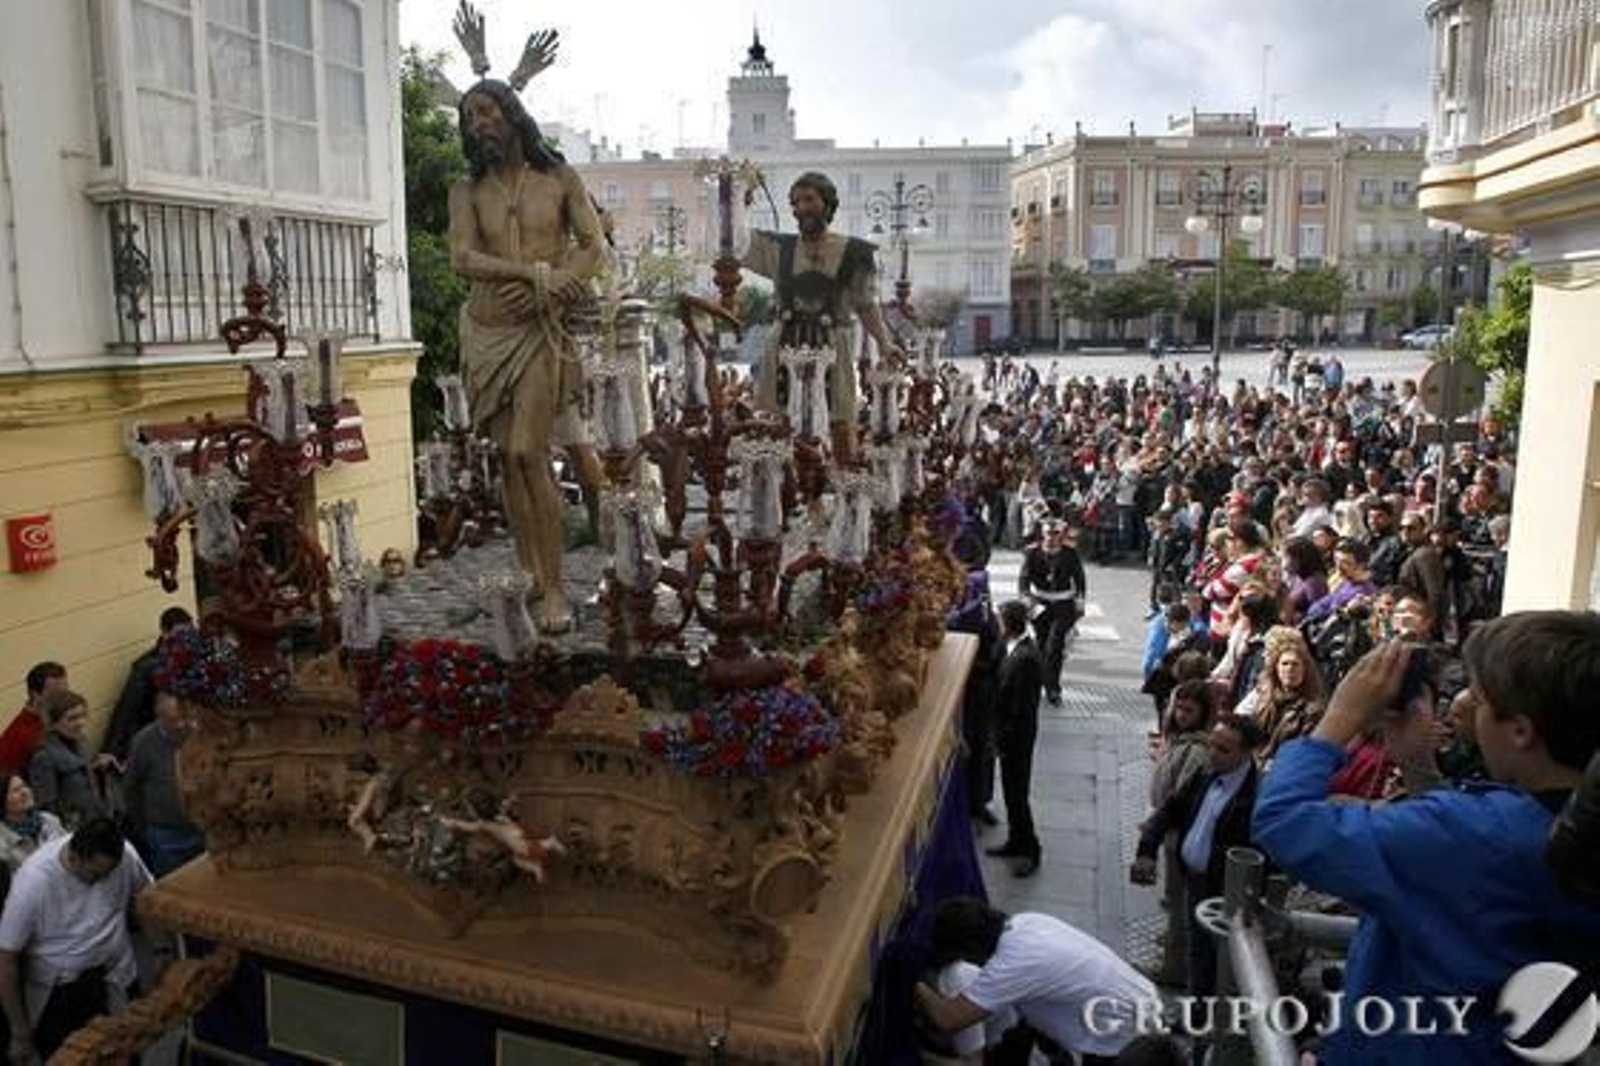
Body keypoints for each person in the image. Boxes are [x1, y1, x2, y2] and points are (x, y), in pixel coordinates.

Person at [1252, 614, 1600, 1065]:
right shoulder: (1567, 829)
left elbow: (1284, 820)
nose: (1464, 702)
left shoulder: (1478, 833)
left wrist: (1340, 717)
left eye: (1480, 695)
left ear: (1520, 730)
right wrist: (1417, 763)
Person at [448, 74, 606, 634]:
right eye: (471, 117)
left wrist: (557, 285)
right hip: (487, 333)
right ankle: (530, 574)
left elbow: (593, 245)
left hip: (540, 331)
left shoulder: (560, 178)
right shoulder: (466, 190)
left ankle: (556, 588)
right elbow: (462, 258)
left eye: (487, 111)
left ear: (512, 113)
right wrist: (529, 274)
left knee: (527, 451)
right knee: (508, 459)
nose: (479, 124)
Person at [745, 172, 905, 461]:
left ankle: (845, 482)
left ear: (827, 203)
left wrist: (884, 342)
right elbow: (734, 242)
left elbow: (866, 304)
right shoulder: (779, 248)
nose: (801, 208)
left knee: (841, 422)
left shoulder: (855, 252)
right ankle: (782, 485)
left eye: (809, 199)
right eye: (795, 202)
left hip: (833, 347)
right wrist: (738, 200)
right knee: (779, 425)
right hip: (783, 347)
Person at [915, 897, 1156, 1065]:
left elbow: (949, 1019)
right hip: (1140, 1002)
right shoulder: (1026, 922)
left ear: (970, 951)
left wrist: (916, 983)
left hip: (1125, 1036)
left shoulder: (1009, 965)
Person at [1131, 715, 1263, 1001]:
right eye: (1212, 745)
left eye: (1224, 750)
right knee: (1198, 953)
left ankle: (1210, 1015)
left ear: (1246, 753)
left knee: (1223, 962)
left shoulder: (1256, 797)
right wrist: (1146, 850)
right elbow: (1171, 809)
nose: (1212, 753)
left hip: (1226, 893)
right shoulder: (1205, 773)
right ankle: (1197, 1008)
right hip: (1195, 881)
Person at [0, 817, 153, 1063]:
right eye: (96, 874)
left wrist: (163, 948)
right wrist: (19, 1031)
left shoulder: (124, 855)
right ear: (74, 857)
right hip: (60, 989)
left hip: (115, 971)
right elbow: (6, 959)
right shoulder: (32, 883)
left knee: (126, 1051)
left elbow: (147, 898)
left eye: (110, 873)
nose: (104, 879)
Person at [986, 602, 1044, 878]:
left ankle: (1030, 850)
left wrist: (1002, 741)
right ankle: (1015, 840)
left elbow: (1020, 709)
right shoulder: (1010, 647)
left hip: (1017, 740)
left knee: (1018, 795)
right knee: (1011, 793)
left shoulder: (1026, 659)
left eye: (999, 620)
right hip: (1009, 735)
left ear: (1008, 624)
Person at [124, 690, 205, 877]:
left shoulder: (203, 733)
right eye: (173, 720)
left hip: (204, 828)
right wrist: (144, 828)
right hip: (166, 834)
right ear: (159, 717)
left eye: (184, 718)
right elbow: (132, 787)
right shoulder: (143, 742)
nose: (181, 725)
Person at [103, 606, 193, 761]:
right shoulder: (146, 667)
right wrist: (111, 751)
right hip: (162, 737)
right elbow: (128, 709)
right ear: (165, 633)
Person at [1018, 522, 1087, 705]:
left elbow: (1079, 579)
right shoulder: (1032, 553)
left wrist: (1080, 602)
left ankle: (1053, 688)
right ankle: (1040, 681)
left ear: (1060, 535)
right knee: (1041, 645)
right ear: (1043, 534)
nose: (1052, 537)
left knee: (1054, 646)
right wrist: (1025, 597)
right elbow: (1024, 579)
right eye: (1049, 533)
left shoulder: (1070, 553)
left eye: (1055, 533)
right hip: (1040, 603)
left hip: (1063, 604)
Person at [28, 689, 116, 829]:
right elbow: (46, 807)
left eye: (82, 716)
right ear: (53, 722)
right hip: (72, 830)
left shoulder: (82, 741)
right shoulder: (43, 757)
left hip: (99, 822)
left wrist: (99, 769)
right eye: (71, 718)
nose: (80, 723)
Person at [0, 663, 66, 779]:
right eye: (55, 694)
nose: (63, 699)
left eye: (65, 692)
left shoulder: (55, 719)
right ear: (36, 695)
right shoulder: (18, 736)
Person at [0, 775, 64, 884]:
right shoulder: (2, 839)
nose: (25, 792)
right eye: (16, 790)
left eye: (24, 786)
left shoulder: (49, 820)